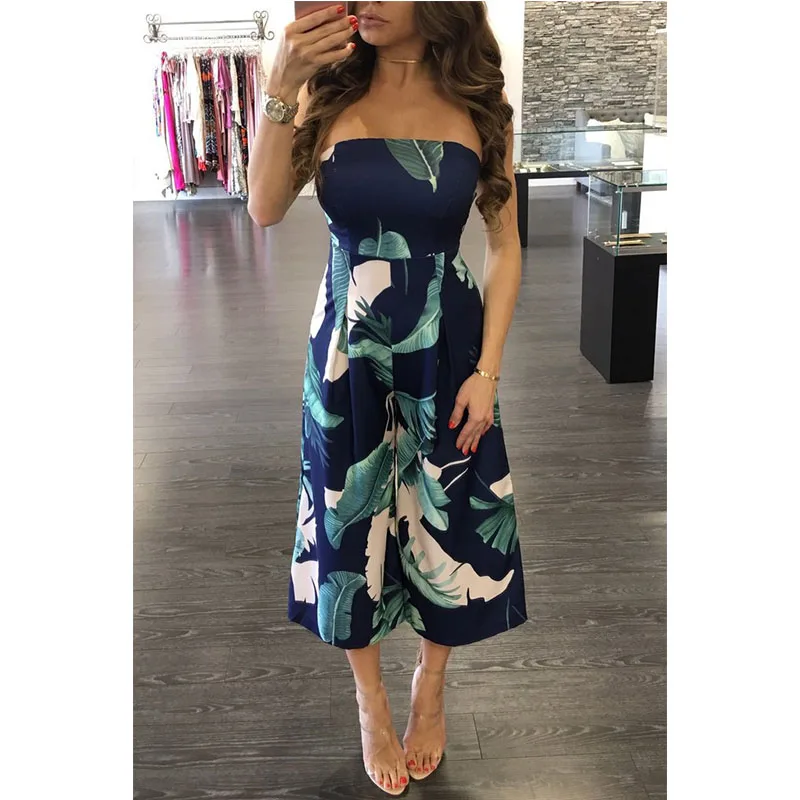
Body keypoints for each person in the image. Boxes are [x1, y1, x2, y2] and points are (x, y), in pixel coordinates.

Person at [248, 2, 527, 795]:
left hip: (449, 346)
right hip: (349, 346)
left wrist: (489, 371)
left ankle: (429, 684)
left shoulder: (479, 103)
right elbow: (263, 208)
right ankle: (369, 698)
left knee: (450, 512)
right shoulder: (326, 91)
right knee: (349, 516)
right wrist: (280, 87)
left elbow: (504, 246)